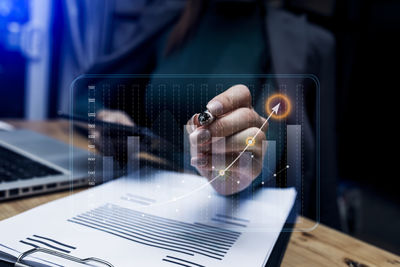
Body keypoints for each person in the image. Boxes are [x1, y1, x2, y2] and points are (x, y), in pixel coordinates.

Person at [72, 0, 339, 228]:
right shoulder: (167, 20)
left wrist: (239, 172)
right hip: (136, 191)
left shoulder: (292, 41)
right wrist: (105, 118)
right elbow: (85, 96)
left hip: (222, 210)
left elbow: (273, 142)